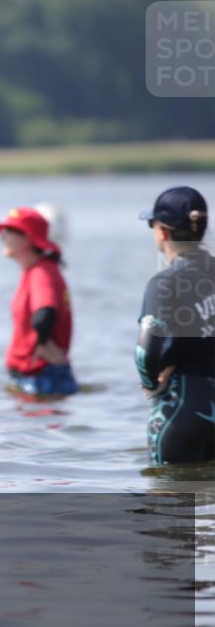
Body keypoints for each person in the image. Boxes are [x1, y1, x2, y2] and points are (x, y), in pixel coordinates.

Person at [135, 186, 215, 465]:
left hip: (182, 405)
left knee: (170, 502)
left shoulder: (164, 283)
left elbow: (148, 349)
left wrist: (150, 384)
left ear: (162, 232)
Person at [0, 207, 78, 396]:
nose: (2, 236)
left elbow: (44, 314)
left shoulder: (41, 273)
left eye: (9, 231)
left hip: (43, 378)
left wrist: (43, 343)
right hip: (36, 377)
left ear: (28, 238)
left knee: (40, 424)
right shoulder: (36, 270)